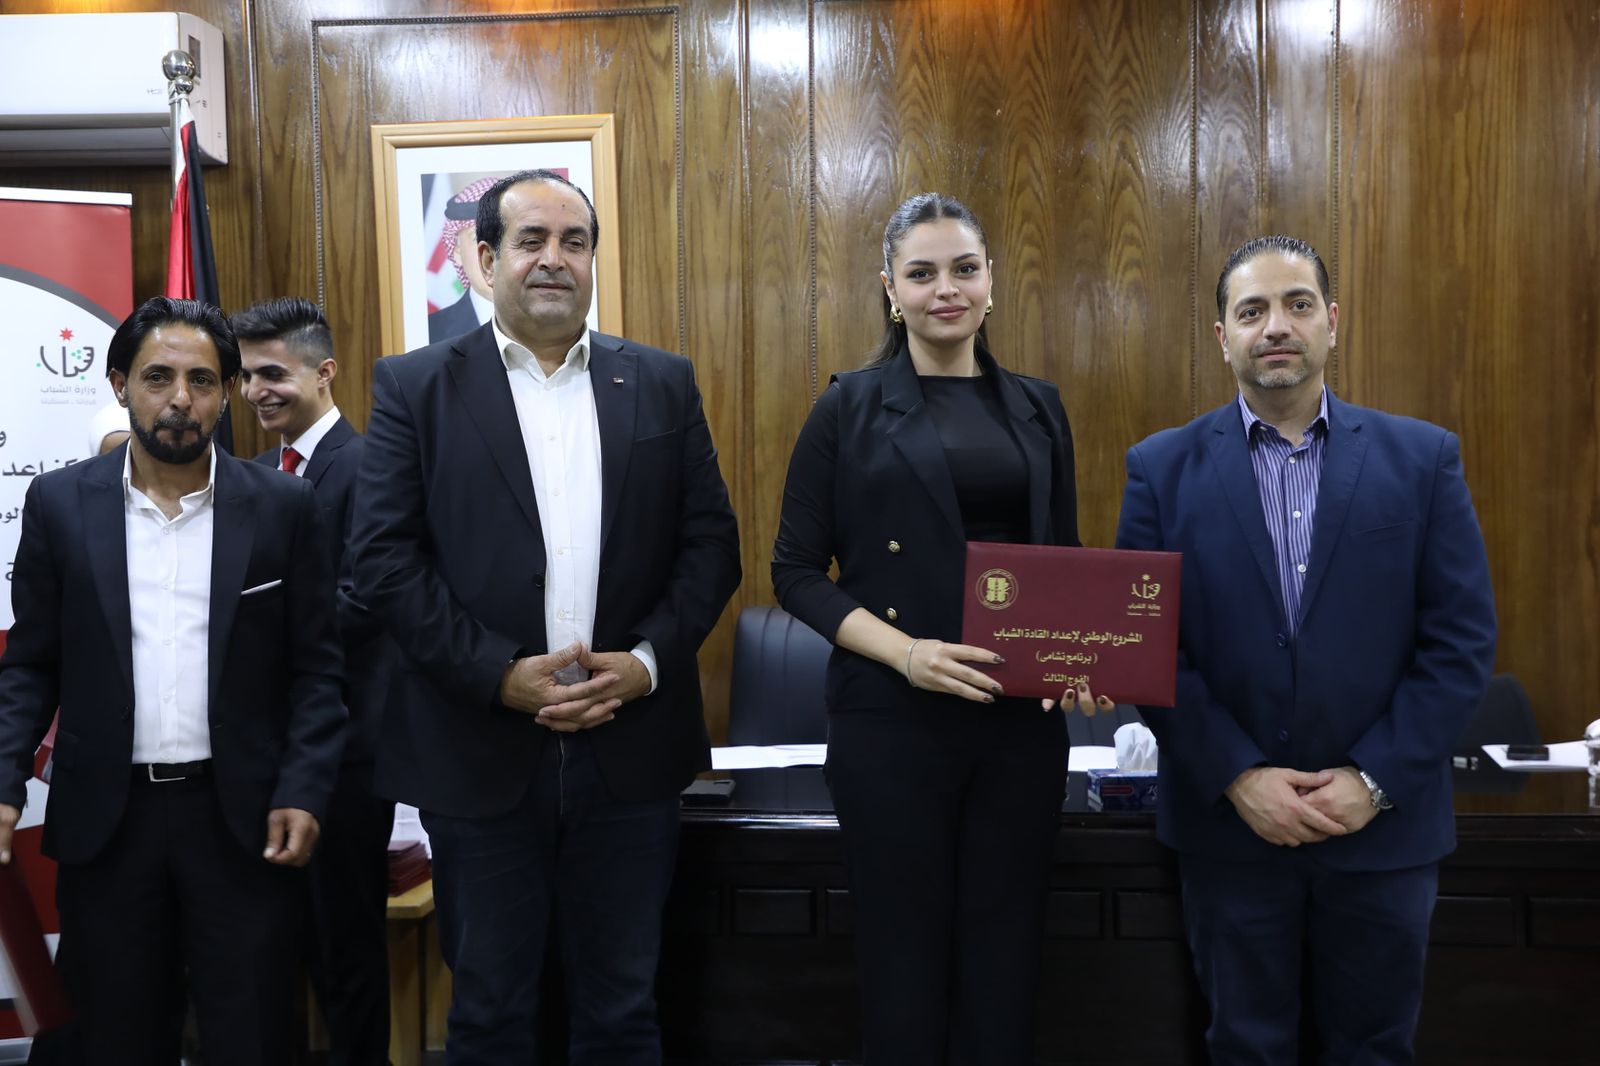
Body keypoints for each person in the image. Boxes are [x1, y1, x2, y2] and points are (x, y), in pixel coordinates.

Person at [351, 168, 741, 1064]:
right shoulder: (416, 386)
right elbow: (384, 560)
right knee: (489, 1015)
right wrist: (497, 675)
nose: (555, 259)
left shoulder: (662, 382)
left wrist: (645, 663)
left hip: (630, 748)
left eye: (575, 242)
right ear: (486, 261)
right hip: (478, 750)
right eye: (531, 241)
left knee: (623, 1010)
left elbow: (711, 546)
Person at [1115, 235, 1496, 1065]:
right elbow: (1147, 649)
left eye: (1297, 305)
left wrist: (1373, 782)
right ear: (1224, 336)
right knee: (1244, 1047)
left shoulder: (1422, 459)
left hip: (1383, 835)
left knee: (1374, 1050)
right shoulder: (1161, 469)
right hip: (1230, 832)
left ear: (1332, 321)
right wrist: (1239, 778)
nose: (1276, 326)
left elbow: (1460, 640)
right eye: (1252, 311)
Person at [771, 192, 1080, 1065]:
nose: (947, 289)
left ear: (991, 281)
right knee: (902, 967)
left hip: (1019, 727)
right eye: (923, 273)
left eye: (964, 269)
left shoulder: (1040, 407)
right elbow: (795, 571)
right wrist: (907, 654)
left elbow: (1066, 563)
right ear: (890, 289)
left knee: (1006, 962)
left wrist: (1082, 656)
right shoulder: (848, 406)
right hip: (892, 722)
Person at [0, 297, 345, 1066]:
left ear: (227, 393)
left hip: (242, 823)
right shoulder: (60, 504)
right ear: (120, 385)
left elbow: (318, 670)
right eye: (158, 377)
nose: (180, 399)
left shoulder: (284, 507)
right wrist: (4, 783)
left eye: (202, 380)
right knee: (114, 1041)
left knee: (251, 1038)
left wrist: (303, 787)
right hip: (108, 825)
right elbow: (30, 666)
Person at [235, 297, 395, 1066]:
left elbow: (366, 601)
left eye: (272, 373)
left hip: (347, 755)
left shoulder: (370, 469)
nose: (255, 391)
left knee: (345, 952)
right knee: (278, 948)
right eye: (244, 377)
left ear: (324, 371)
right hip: (271, 753)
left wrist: (243, 630)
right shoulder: (261, 475)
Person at [427, 177, 498, 343]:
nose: (493, 254)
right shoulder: (431, 333)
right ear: (457, 253)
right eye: (477, 238)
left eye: (504, 236)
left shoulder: (552, 324)